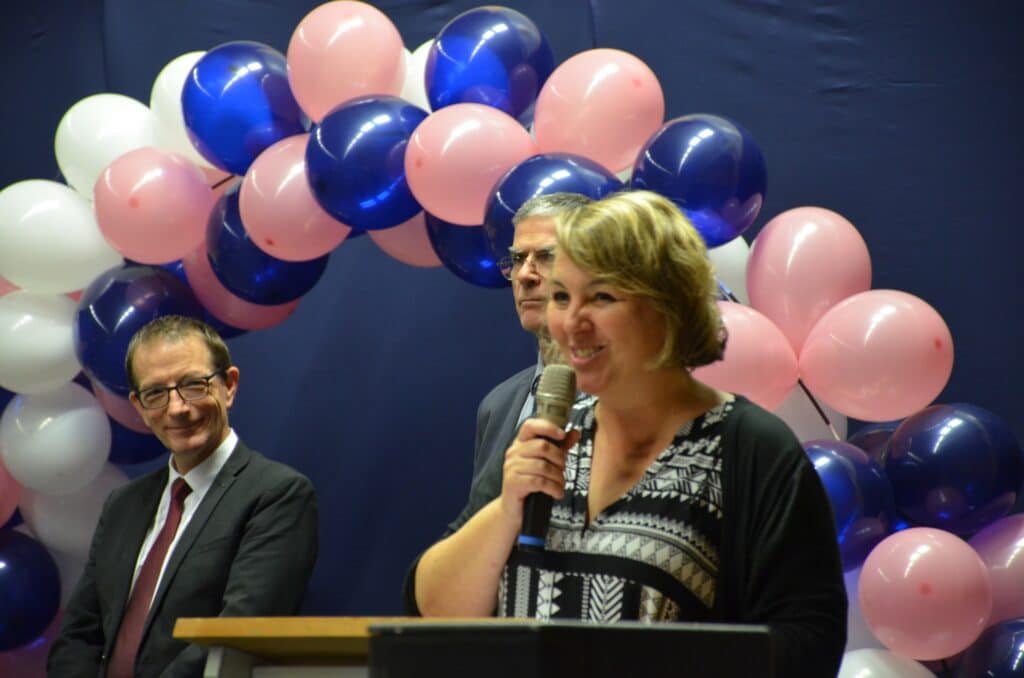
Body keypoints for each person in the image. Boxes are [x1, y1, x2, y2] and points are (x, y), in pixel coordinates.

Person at [405, 191, 847, 677]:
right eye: (561, 297)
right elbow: (433, 608)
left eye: (600, 297)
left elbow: (806, 647)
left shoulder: (749, 449)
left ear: (666, 305)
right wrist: (508, 508)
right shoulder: (546, 435)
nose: (571, 322)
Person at [49, 315, 319, 678]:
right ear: (140, 408)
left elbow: (239, 633)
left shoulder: (277, 495)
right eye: (156, 393)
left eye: (193, 385)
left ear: (229, 386)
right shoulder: (123, 504)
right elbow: (78, 635)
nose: (177, 408)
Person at [468, 192, 592, 490]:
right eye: (517, 259)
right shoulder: (496, 406)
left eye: (546, 256)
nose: (524, 275)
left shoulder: (636, 398)